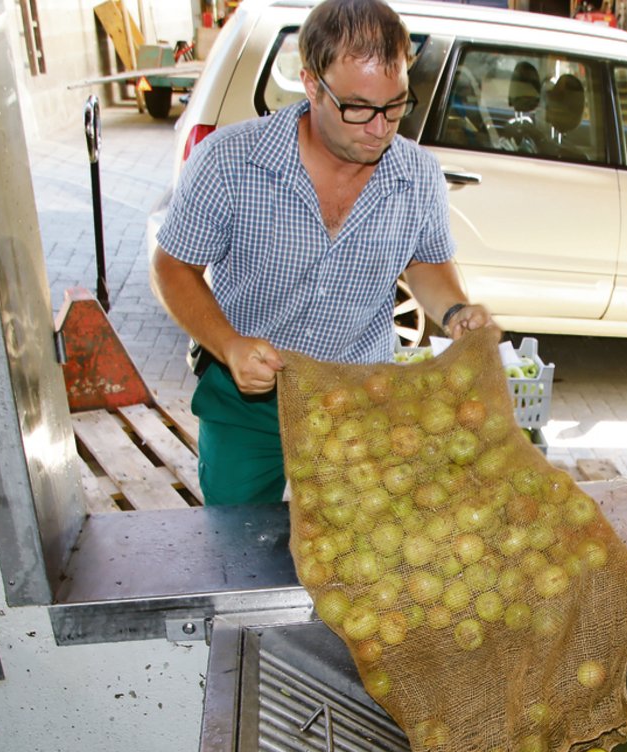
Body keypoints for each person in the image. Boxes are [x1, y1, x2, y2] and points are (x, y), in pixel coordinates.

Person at [151, 0, 493, 505]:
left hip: (358, 397)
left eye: (395, 105)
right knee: (235, 541)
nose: (380, 128)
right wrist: (230, 345)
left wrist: (455, 310)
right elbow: (173, 266)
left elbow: (424, 261)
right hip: (249, 395)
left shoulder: (417, 174)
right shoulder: (230, 162)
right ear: (311, 84)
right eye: (358, 108)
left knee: (356, 548)